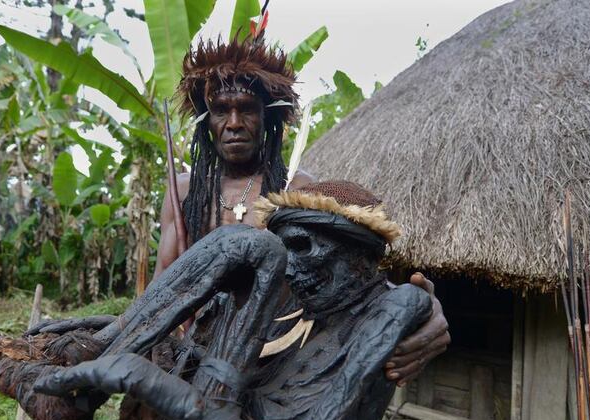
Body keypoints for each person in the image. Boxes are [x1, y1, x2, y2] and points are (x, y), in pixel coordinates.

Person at [32, 180, 432, 420]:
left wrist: (145, 378)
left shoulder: (386, 309)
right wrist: (113, 332)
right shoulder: (303, 301)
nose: (289, 271)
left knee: (250, 245)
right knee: (247, 245)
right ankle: (90, 367)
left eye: (302, 247)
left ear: (360, 253)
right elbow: (193, 340)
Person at [152, 37, 449, 386]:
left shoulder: (297, 189)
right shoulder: (184, 193)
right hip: (194, 363)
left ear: (268, 117)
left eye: (247, 108)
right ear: (207, 120)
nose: (233, 122)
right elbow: (160, 290)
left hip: (278, 368)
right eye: (221, 110)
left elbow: (348, 275)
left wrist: (420, 308)